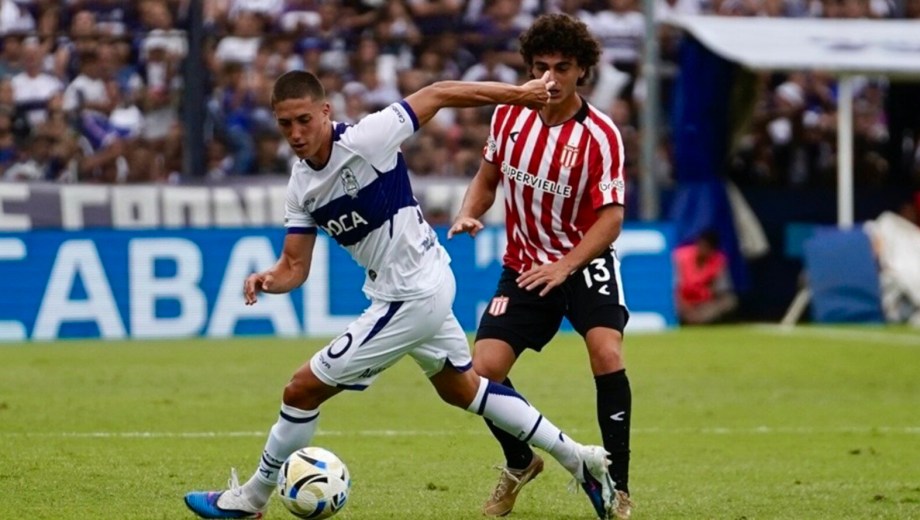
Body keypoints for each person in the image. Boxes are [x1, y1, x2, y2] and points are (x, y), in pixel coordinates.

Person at [183, 69, 619, 520]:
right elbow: (294, 267)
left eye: (303, 120)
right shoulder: (301, 186)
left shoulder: (368, 138)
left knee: (300, 390)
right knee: (463, 389)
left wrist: (517, 95)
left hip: (412, 293)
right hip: (410, 290)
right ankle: (579, 458)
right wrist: (268, 280)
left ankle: (251, 499)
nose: (295, 133)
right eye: (285, 124)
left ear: (325, 112)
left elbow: (439, 92)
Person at [448, 13, 634, 520]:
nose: (550, 79)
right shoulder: (509, 115)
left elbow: (612, 218)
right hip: (526, 266)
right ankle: (520, 461)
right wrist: (468, 210)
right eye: (540, 67)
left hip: (583, 260)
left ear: (582, 71)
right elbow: (487, 178)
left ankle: (617, 485)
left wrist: (566, 264)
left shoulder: (600, 134)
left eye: (562, 67)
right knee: (480, 372)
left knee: (606, 350)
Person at [673, 229, 738, 325]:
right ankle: (689, 319)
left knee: (729, 301)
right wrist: (687, 308)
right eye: (701, 245)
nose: (702, 250)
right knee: (671, 301)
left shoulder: (719, 261)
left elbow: (721, 290)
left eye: (706, 247)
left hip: (703, 304)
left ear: (713, 250)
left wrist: (710, 292)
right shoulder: (680, 257)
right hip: (682, 301)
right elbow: (674, 287)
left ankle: (697, 320)